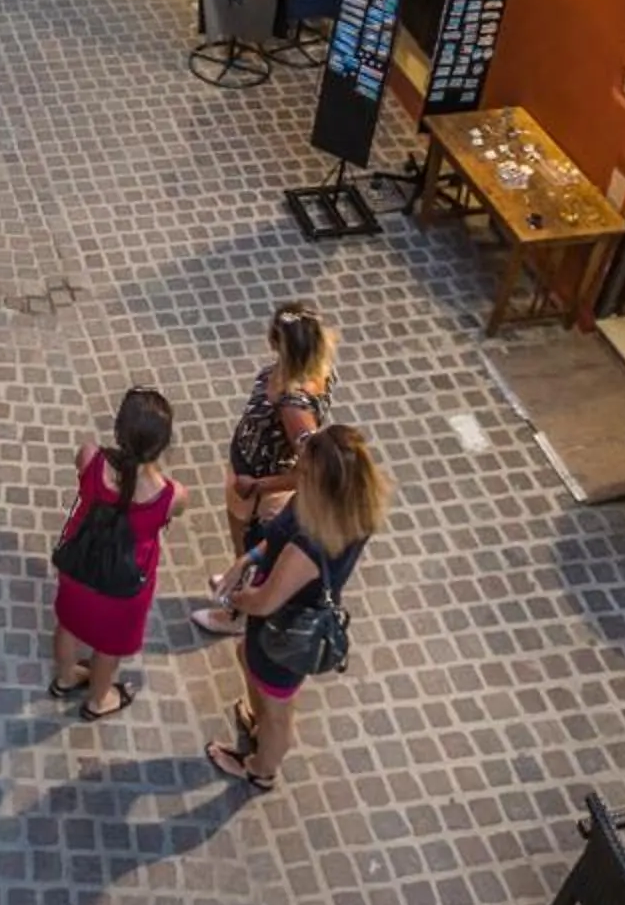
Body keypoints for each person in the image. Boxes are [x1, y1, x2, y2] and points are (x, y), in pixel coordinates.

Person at [205, 423, 387, 791]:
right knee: (247, 660)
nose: (297, 469)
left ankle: (261, 768)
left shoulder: (309, 545)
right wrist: (246, 560)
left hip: (282, 630)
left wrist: (233, 598)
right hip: (278, 621)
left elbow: (264, 601)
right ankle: (259, 725)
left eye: (304, 469)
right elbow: (275, 539)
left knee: (278, 711)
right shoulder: (352, 508)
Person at [194, 301, 335, 634]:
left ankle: (235, 614)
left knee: (250, 548)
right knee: (245, 547)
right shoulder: (312, 368)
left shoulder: (293, 404)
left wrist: (258, 486)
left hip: (258, 486)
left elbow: (309, 469)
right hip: (250, 473)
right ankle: (237, 580)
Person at [48, 386, 181, 720]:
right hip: (125, 585)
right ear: (163, 444)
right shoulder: (171, 495)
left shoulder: (90, 457)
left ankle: (65, 678)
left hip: (79, 563)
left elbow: (86, 479)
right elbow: (168, 514)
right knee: (108, 647)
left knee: (67, 625)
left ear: (118, 428)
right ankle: (99, 700)